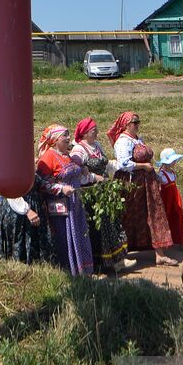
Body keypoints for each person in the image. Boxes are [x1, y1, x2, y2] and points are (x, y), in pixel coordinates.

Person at [108, 111, 180, 266]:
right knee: (128, 216)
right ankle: (120, 254)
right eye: (135, 122)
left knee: (154, 214)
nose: (138, 124)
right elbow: (123, 164)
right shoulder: (123, 141)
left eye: (138, 121)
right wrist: (143, 166)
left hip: (147, 183)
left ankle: (159, 255)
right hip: (131, 185)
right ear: (126, 125)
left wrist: (154, 174)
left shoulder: (138, 140)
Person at [71, 117, 130, 273]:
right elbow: (77, 173)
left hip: (103, 191)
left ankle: (117, 261)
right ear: (84, 133)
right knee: (98, 228)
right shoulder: (79, 150)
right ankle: (101, 264)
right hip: (91, 193)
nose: (97, 132)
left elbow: (104, 164)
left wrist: (120, 167)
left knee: (111, 223)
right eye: (93, 130)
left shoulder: (96, 145)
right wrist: (93, 178)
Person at [36, 124, 96, 276]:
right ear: (55, 140)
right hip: (61, 206)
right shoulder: (48, 157)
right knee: (65, 237)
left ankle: (83, 271)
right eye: (64, 136)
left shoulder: (66, 155)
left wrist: (82, 170)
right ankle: (69, 272)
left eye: (68, 134)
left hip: (74, 203)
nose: (68, 138)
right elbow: (41, 183)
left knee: (79, 233)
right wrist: (61, 189)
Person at [0, 172, 55, 265]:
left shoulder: (27, 165)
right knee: (19, 250)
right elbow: (11, 191)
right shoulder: (11, 166)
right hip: (17, 212)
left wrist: (60, 188)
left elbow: (41, 183)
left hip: (33, 210)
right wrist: (27, 210)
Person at [155, 148, 183, 250]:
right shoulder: (161, 174)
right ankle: (166, 242)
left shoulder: (172, 173)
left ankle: (182, 242)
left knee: (178, 218)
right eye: (172, 161)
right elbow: (158, 187)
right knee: (166, 219)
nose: (174, 162)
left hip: (175, 199)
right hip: (166, 200)